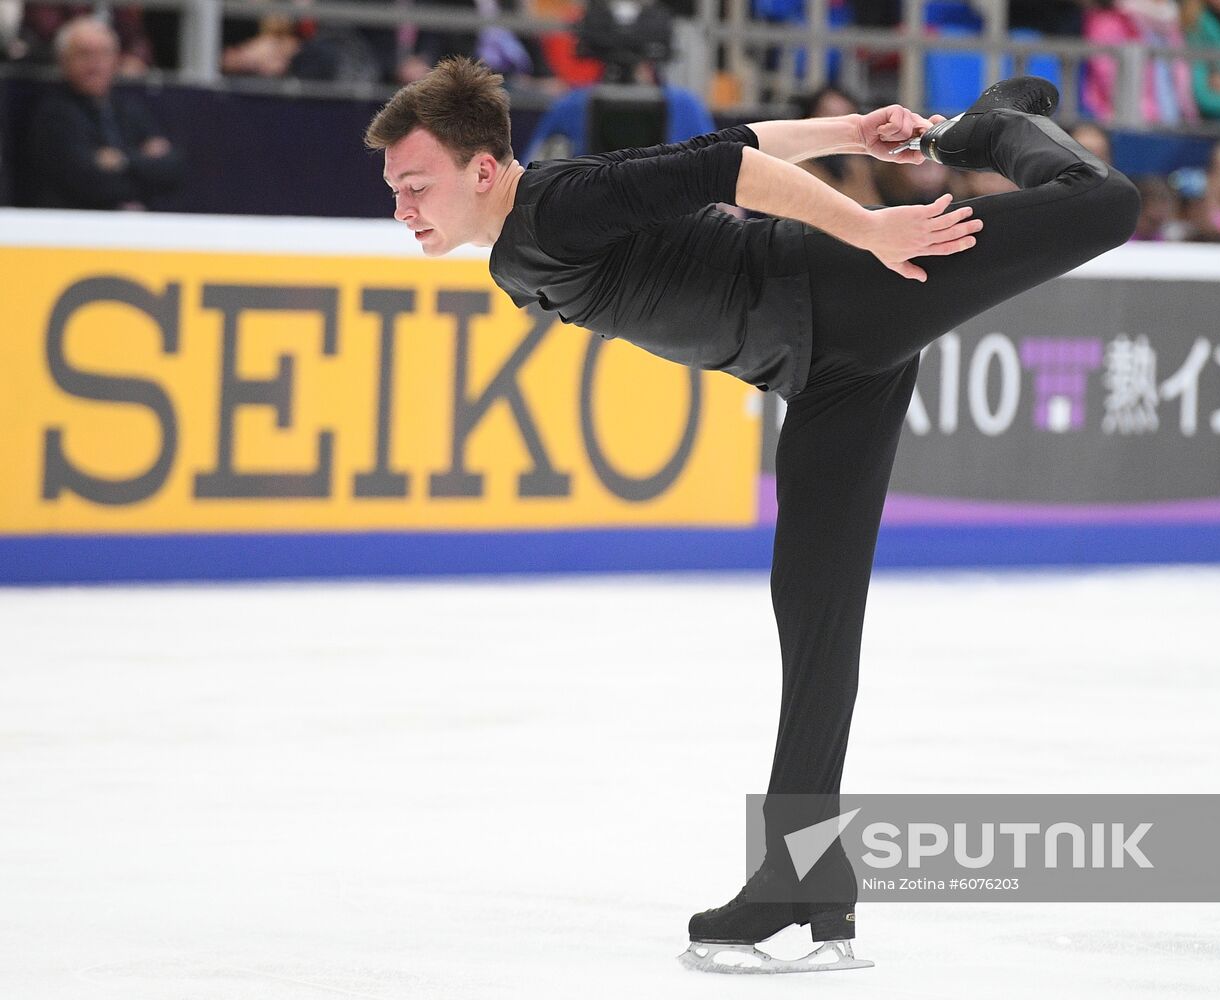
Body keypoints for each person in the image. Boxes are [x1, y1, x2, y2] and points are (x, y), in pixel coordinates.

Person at [364, 58, 1139, 974]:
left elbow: (727, 175)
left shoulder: (556, 207)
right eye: (395, 191)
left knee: (1103, 202)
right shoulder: (525, 237)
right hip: (822, 372)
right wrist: (852, 135)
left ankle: (999, 126)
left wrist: (868, 225)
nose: (403, 207)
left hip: (852, 287)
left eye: (416, 185)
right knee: (814, 617)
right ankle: (801, 872)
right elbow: (723, 147)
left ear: (482, 170)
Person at [24, 16, 182, 210]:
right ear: (64, 60)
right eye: (84, 54)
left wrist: (123, 160)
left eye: (104, 54)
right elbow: (86, 181)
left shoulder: (129, 108)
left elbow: (173, 169)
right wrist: (143, 164)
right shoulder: (55, 115)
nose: (96, 64)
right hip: (73, 226)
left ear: (117, 60)